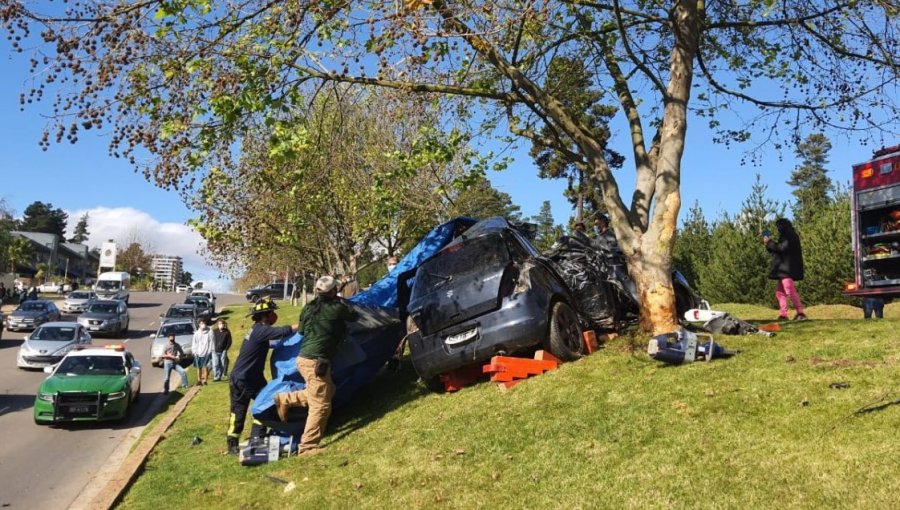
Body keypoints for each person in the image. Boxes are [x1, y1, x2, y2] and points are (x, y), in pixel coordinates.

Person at [274, 275, 359, 455]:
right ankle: (307, 447)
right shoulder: (336, 308)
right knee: (320, 405)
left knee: (327, 391)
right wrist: (341, 301)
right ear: (333, 291)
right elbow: (354, 316)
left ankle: (285, 399)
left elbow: (303, 331)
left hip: (304, 359)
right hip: (316, 362)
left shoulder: (308, 308)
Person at [226, 298, 298, 455]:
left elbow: (270, 342)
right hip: (243, 379)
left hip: (254, 377)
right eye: (272, 312)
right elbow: (282, 331)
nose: (274, 315)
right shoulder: (261, 330)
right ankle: (236, 443)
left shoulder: (258, 331)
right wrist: (302, 326)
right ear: (265, 315)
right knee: (241, 410)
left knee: (265, 403)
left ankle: (256, 437)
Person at [764, 218, 807, 321]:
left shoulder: (789, 236)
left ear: (783, 226)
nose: (778, 229)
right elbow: (779, 249)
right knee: (779, 292)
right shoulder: (788, 235)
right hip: (784, 269)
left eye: (779, 226)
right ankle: (783, 315)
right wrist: (768, 244)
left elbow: (782, 248)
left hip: (786, 268)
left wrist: (769, 242)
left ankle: (800, 313)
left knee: (789, 290)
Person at [191, 319, 215, 385]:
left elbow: (212, 342)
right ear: (199, 324)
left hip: (207, 352)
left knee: (206, 367)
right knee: (199, 367)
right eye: (201, 323)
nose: (202, 324)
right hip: (198, 353)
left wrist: (210, 351)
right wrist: (194, 351)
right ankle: (199, 380)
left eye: (203, 323)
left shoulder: (210, 332)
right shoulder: (196, 333)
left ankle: (205, 380)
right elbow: (194, 343)